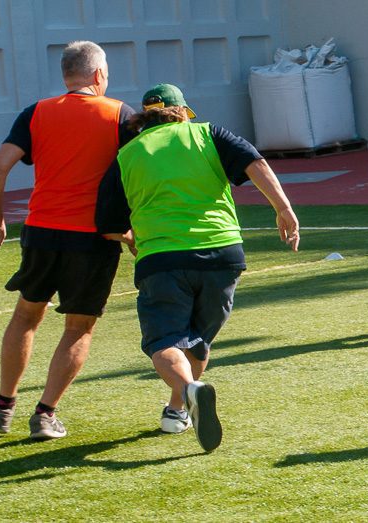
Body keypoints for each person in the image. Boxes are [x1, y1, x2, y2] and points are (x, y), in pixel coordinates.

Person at [96, 83, 300, 452]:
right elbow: (257, 163)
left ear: (144, 118)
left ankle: (189, 391)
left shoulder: (127, 154)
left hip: (163, 258)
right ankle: (178, 410)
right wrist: (283, 208)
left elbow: (108, 224)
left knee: (165, 342)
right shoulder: (209, 133)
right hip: (222, 254)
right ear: (182, 110)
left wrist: (130, 238)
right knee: (198, 341)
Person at [0, 41, 137, 440]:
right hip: (94, 236)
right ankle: (46, 414)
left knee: (26, 315)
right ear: (98, 75)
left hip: (42, 231)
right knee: (79, 328)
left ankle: (3, 405)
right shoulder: (119, 113)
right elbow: (139, 175)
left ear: (67, 75)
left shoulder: (36, 112)